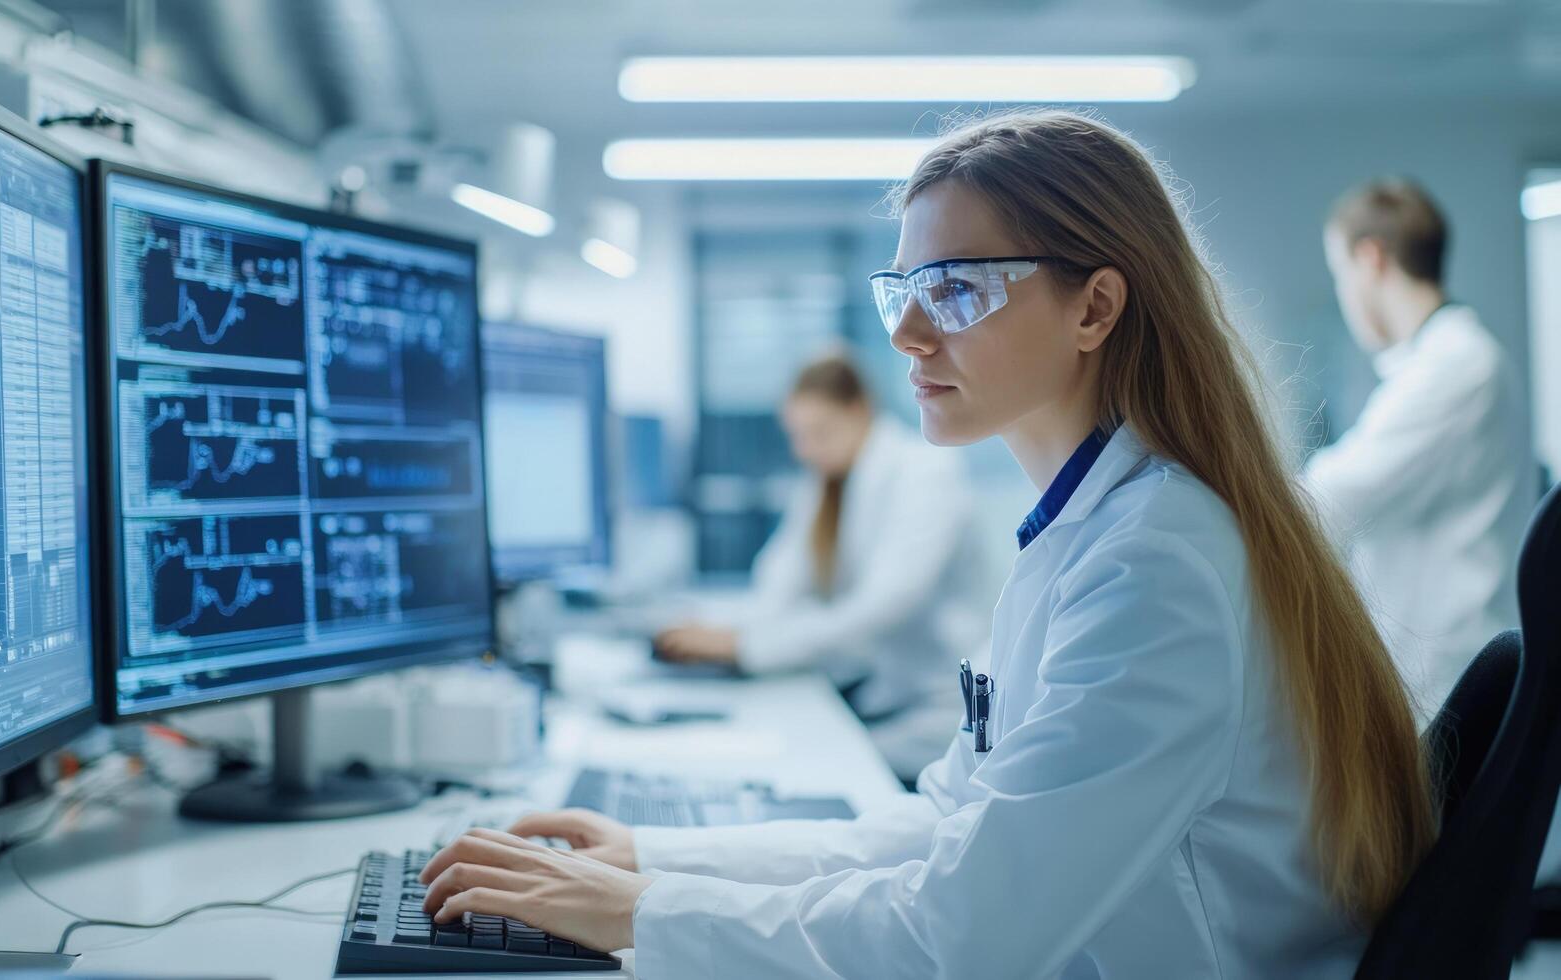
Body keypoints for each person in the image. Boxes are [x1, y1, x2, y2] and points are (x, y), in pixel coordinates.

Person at [416, 110, 1437, 978]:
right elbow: (940, 830)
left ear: (1093, 305)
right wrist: (652, 857)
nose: (904, 334)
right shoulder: (1091, 529)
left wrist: (637, 913)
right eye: (900, 290)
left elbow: (959, 934)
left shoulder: (1155, 560)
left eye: (951, 289)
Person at [654, 353, 985, 780]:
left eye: (819, 433)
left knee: (810, 769)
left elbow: (880, 609)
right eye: (798, 436)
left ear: (859, 410)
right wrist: (715, 629)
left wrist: (743, 647)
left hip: (930, 707)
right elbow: (778, 587)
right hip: (872, 693)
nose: (805, 449)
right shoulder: (826, 482)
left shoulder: (925, 472)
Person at [1306, 178, 1535, 723]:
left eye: (1340, 275)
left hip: (1445, 691)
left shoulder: (1458, 366)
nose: (1345, 297)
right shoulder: (1434, 363)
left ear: (1371, 259)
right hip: (1430, 683)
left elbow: (1328, 501)